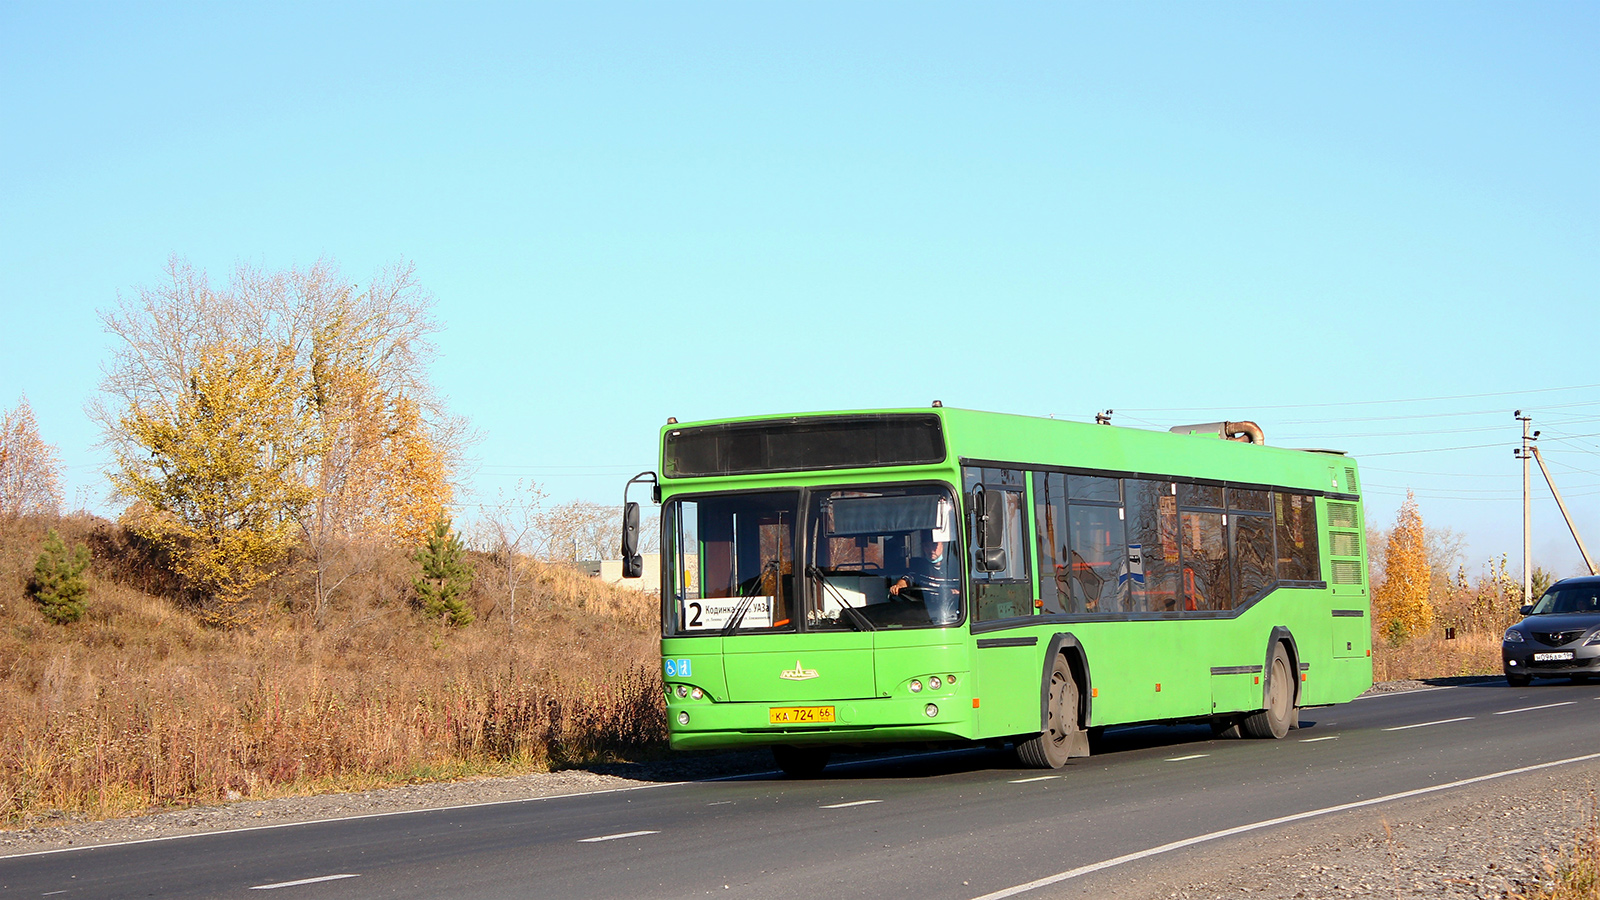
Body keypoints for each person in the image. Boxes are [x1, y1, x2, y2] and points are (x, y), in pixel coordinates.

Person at [889, 530, 960, 625]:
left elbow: (967, 592)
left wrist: (955, 592)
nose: (931, 550)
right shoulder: (919, 566)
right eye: (927, 546)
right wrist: (898, 586)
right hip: (923, 615)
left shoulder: (957, 567)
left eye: (934, 545)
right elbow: (907, 579)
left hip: (951, 616)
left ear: (943, 545)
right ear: (923, 547)